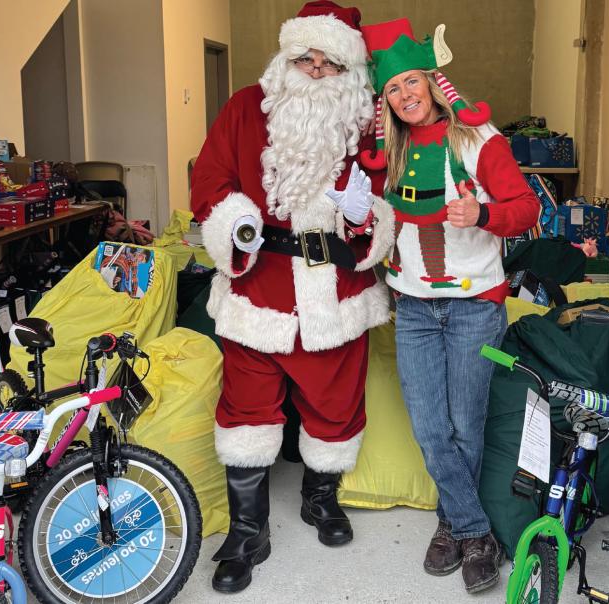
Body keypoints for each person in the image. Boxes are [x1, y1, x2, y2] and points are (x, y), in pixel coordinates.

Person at [190, 1, 394, 594]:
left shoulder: (367, 123)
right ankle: (248, 531)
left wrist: (366, 219)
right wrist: (235, 223)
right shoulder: (244, 108)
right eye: (305, 58)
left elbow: (389, 200)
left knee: (336, 406)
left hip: (337, 290)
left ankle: (319, 498)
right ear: (286, 57)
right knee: (246, 411)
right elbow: (211, 180)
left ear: (349, 71)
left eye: (329, 62)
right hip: (260, 286)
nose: (315, 69)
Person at [360, 18, 541, 594]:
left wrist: (483, 214)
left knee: (466, 426)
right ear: (385, 100)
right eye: (393, 88)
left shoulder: (479, 139)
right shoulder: (389, 151)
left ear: (432, 82)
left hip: (474, 307)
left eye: (410, 81)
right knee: (429, 426)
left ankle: (452, 525)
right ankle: (474, 530)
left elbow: (527, 209)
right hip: (413, 308)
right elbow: (374, 218)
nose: (404, 95)